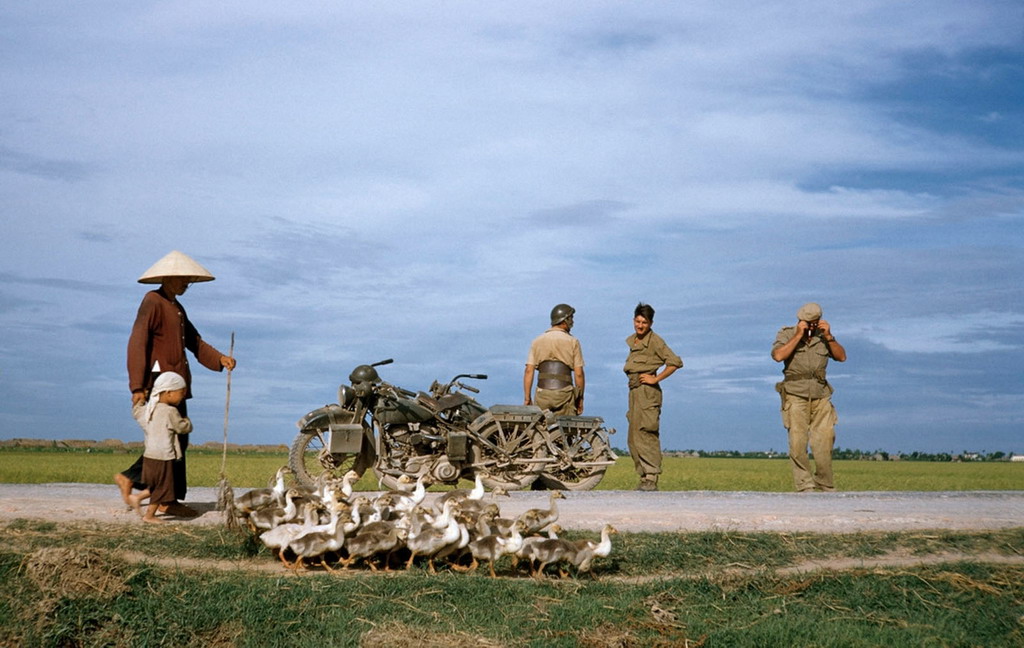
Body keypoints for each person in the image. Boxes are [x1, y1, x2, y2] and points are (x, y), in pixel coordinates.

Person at [114, 250, 237, 516]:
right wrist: (137, 385)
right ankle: (164, 498)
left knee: (175, 438)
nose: (185, 285)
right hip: (161, 384)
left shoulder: (176, 307)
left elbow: (194, 341)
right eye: (182, 280)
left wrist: (220, 359)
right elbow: (138, 343)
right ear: (168, 278)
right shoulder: (153, 301)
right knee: (173, 438)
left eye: (188, 281)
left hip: (175, 384)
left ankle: (138, 482)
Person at [771, 302, 847, 492]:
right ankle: (805, 486)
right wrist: (798, 335)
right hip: (795, 395)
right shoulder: (787, 333)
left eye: (815, 322)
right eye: (808, 322)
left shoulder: (824, 337)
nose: (812, 326)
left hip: (821, 395)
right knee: (797, 443)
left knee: (825, 442)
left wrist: (829, 337)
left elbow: (841, 357)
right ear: (800, 320)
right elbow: (778, 356)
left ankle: (825, 484)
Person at [623, 303, 683, 491]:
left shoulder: (655, 341)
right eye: (638, 321)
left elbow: (675, 362)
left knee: (646, 433)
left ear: (651, 323)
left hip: (647, 393)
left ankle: (651, 476)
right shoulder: (633, 341)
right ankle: (643, 477)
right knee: (633, 436)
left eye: (645, 323)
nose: (640, 326)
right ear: (633, 320)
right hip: (634, 392)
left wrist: (655, 378)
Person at [128, 372, 192, 523]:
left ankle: (137, 498)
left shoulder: (149, 410)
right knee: (163, 488)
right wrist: (187, 421)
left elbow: (137, 413)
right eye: (181, 393)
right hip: (164, 456)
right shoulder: (170, 412)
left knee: (156, 485)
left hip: (149, 456)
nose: (182, 397)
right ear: (169, 393)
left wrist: (140, 401)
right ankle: (149, 515)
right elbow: (181, 428)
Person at [523, 304, 585, 417]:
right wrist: (580, 399)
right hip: (564, 394)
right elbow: (579, 374)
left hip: (542, 393)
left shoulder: (537, 341)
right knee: (566, 430)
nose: (573, 321)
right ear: (565, 319)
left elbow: (528, 371)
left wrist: (527, 398)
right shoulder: (572, 341)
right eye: (571, 318)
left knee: (540, 429)